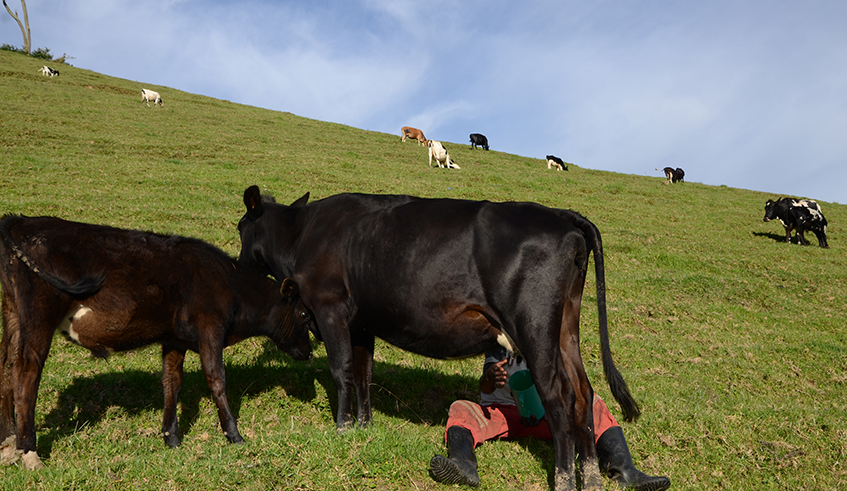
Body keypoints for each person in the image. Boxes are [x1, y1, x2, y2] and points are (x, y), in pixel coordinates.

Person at [429, 347, 670, 490]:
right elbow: (485, 386)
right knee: (461, 407)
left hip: (549, 415)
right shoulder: (498, 339)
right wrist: (491, 376)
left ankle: (625, 470)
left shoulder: (549, 334)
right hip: (503, 412)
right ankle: (463, 465)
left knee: (594, 405)